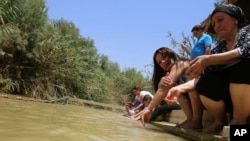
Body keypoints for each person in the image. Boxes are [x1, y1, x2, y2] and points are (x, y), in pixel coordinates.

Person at [166, 4, 250, 134]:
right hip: (228, 100)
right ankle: (219, 121)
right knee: (206, 80)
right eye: (214, 23)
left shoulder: (247, 32)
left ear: (235, 20)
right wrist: (179, 88)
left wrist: (208, 59)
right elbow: (201, 76)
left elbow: (245, 51)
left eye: (220, 20)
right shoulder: (219, 49)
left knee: (244, 66)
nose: (217, 26)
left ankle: (239, 123)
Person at [141, 47, 204, 130]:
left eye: (164, 57)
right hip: (197, 97)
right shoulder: (170, 73)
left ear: (171, 55)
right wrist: (160, 84)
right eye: (159, 62)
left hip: (206, 94)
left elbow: (165, 89)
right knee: (177, 91)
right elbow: (164, 92)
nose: (163, 62)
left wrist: (149, 109)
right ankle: (190, 118)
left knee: (188, 87)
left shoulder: (180, 63)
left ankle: (196, 121)